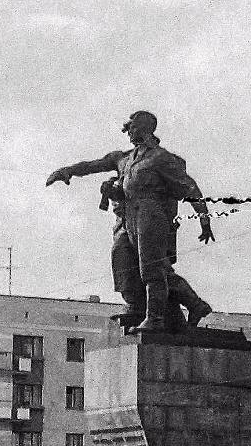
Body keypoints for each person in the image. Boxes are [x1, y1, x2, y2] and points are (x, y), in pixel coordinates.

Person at [46, 110, 215, 332]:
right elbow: (94, 165)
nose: (128, 131)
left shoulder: (160, 158)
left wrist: (205, 220)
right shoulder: (123, 158)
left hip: (151, 214)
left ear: (145, 129)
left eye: (132, 127)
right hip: (128, 217)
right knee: (123, 259)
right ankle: (165, 305)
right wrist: (68, 171)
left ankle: (155, 318)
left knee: (152, 268)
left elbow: (190, 187)